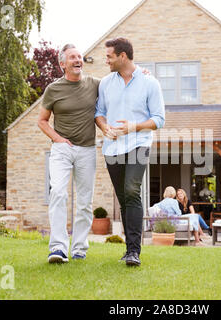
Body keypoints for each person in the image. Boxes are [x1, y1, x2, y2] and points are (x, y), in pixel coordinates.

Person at [95, 38, 165, 267]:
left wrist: (133, 126)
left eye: (109, 56)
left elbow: (159, 119)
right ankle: (129, 249)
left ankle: (135, 251)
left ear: (122, 56)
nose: (106, 60)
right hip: (112, 147)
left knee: (132, 190)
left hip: (139, 143)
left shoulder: (149, 82)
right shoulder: (105, 83)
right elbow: (99, 112)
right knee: (124, 199)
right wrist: (104, 127)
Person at [38, 44, 99, 263]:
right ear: (62, 64)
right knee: (58, 194)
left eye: (79, 57)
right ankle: (57, 248)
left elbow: (120, 84)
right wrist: (58, 139)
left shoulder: (94, 84)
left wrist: (141, 73)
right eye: (72, 57)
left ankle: (79, 247)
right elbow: (42, 121)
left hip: (87, 149)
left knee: (84, 201)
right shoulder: (54, 89)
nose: (77, 60)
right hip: (62, 149)